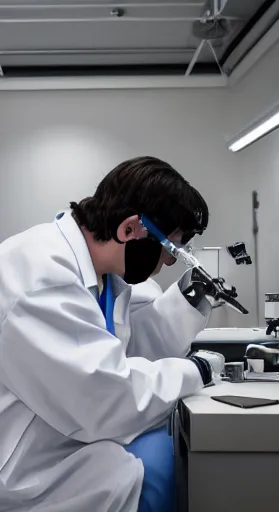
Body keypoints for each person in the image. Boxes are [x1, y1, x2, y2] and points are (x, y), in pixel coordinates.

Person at [0, 156, 223, 511]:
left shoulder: (103, 273)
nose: (168, 263)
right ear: (131, 229)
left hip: (69, 435)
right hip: (29, 469)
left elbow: (126, 349)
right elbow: (105, 397)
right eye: (170, 249)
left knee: (171, 453)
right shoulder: (40, 278)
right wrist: (198, 371)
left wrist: (189, 297)